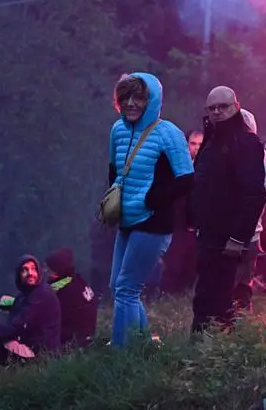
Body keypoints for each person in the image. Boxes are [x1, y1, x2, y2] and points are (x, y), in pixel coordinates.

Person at [107, 72, 194, 345]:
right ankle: (143, 345)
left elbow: (187, 179)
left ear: (151, 101)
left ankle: (123, 355)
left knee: (126, 289)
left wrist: (153, 199)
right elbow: (113, 168)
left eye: (138, 98)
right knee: (117, 287)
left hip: (154, 223)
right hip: (127, 219)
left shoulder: (169, 133)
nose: (131, 103)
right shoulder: (117, 130)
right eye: (126, 97)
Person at [188, 86, 266, 334]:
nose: (218, 112)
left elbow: (255, 194)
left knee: (226, 301)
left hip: (230, 239)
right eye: (212, 108)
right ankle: (198, 353)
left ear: (236, 107)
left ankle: (227, 355)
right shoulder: (211, 141)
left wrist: (238, 237)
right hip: (207, 234)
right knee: (204, 298)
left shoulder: (246, 142)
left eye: (223, 106)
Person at [232, 108, 266, 313]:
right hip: (254, 233)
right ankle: (243, 334)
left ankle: (227, 337)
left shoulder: (245, 157)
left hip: (236, 234)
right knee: (243, 287)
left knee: (229, 289)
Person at [160, 130, 205, 296]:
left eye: (200, 144)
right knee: (174, 263)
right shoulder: (177, 166)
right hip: (177, 222)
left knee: (193, 264)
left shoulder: (208, 167)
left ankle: (183, 295)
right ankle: (167, 296)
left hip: (198, 224)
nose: (196, 148)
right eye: (193, 144)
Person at [43, 247, 97, 349]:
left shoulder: (61, 288)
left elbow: (41, 302)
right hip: (87, 336)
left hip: (71, 342)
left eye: (48, 269)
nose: (44, 271)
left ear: (57, 271)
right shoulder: (78, 280)